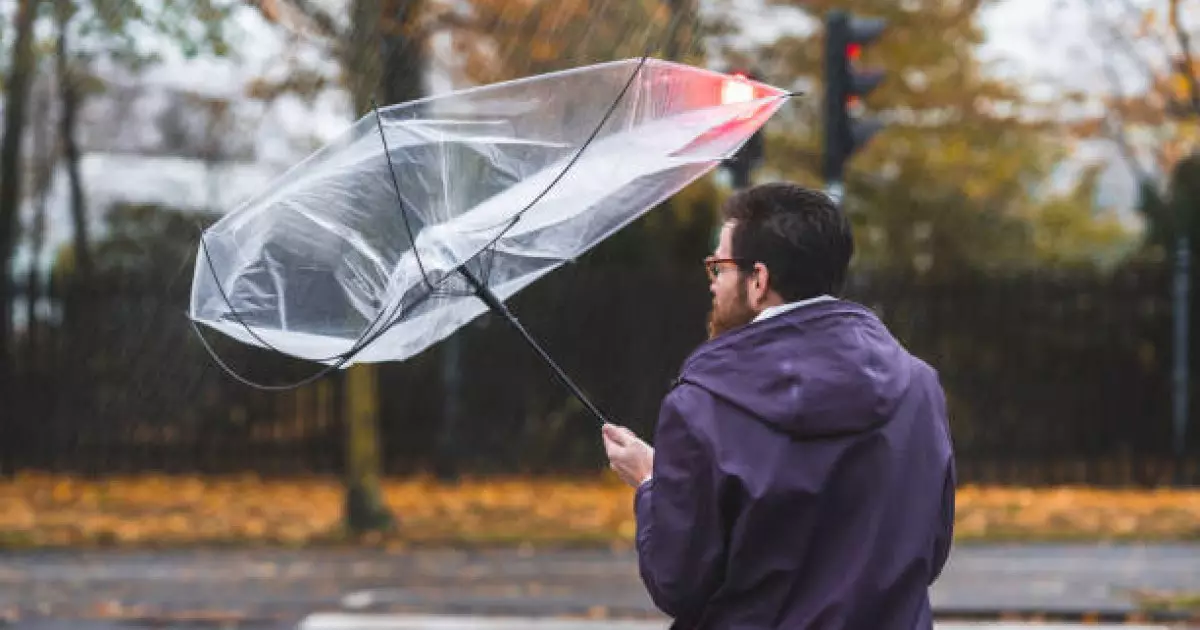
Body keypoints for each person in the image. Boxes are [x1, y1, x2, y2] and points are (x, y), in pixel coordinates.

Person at [601, 182, 956, 629]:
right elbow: (930, 549)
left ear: (759, 280)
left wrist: (653, 483)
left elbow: (678, 582)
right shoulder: (920, 387)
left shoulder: (703, 406)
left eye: (720, 266)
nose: (712, 282)